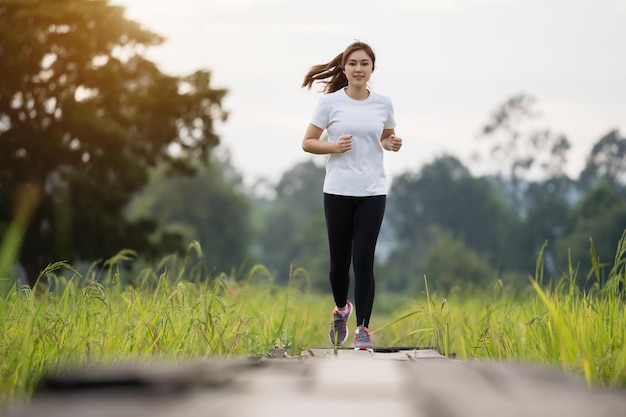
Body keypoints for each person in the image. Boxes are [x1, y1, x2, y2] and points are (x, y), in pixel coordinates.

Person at [301, 41, 403, 351]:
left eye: (365, 64)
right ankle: (341, 309)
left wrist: (391, 143)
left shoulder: (383, 104)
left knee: (363, 261)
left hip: (372, 191)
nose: (358, 69)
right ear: (344, 68)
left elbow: (385, 136)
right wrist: (334, 147)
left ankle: (363, 330)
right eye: (353, 63)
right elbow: (307, 142)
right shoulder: (330, 103)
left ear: (373, 69)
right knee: (338, 265)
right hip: (337, 192)